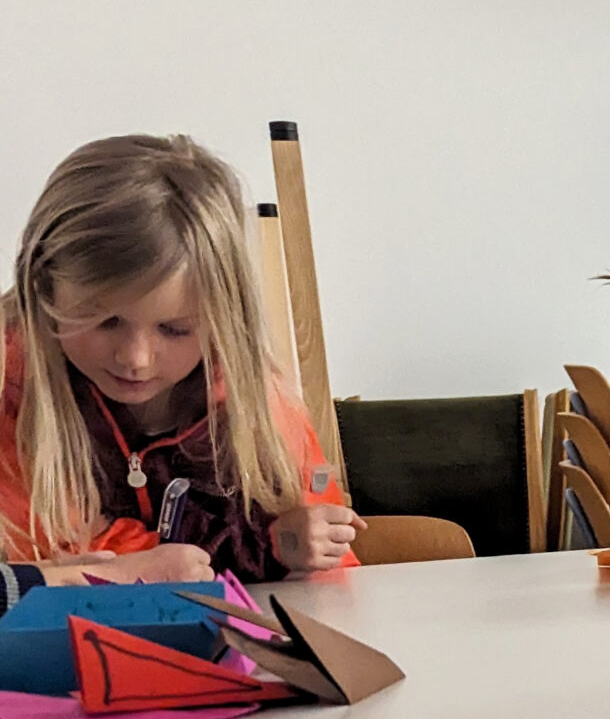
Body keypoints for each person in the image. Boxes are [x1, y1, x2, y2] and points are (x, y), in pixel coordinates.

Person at [3, 135, 356, 582]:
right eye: (104, 321)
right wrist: (253, 551)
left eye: (175, 330)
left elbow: (328, 570)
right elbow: (46, 559)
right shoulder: (12, 385)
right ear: (43, 288)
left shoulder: (256, 401)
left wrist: (291, 546)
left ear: (226, 320)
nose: (135, 358)